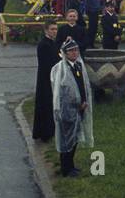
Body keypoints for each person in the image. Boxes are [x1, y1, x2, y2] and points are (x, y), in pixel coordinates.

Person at [50, 38, 93, 177]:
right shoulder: (60, 69)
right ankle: (65, 168)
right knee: (66, 139)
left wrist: (84, 101)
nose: (74, 53)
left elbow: (84, 85)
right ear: (65, 53)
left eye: (76, 50)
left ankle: (71, 166)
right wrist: (76, 103)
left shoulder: (79, 65)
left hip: (80, 108)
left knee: (74, 139)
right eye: (71, 51)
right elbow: (61, 92)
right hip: (66, 110)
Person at [33, 22, 59, 142]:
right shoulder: (44, 44)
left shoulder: (53, 43)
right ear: (46, 31)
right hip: (45, 79)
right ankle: (44, 133)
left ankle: (50, 130)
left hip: (52, 77)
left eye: (56, 29)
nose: (54, 31)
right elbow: (48, 62)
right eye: (52, 29)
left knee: (51, 105)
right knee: (45, 105)